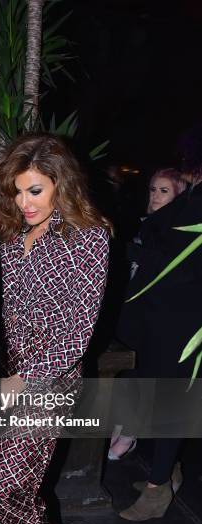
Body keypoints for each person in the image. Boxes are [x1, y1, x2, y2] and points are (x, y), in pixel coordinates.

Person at [0, 133, 110, 524]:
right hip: (9, 373)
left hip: (50, 380)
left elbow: (78, 331)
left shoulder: (87, 236)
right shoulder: (12, 235)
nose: (24, 203)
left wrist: (24, 379)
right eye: (17, 191)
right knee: (16, 484)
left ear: (60, 186)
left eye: (35, 191)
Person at [117, 128, 202, 521]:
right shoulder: (190, 201)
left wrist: (121, 245)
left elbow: (174, 265)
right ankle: (166, 474)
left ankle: (158, 489)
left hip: (185, 325)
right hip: (165, 321)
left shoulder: (194, 202)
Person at [108, 167, 187, 460]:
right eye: (153, 189)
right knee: (128, 373)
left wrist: (129, 251)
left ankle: (129, 434)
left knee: (144, 377)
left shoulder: (178, 230)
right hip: (133, 310)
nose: (155, 196)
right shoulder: (146, 223)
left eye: (163, 190)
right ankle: (123, 428)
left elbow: (169, 269)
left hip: (160, 317)